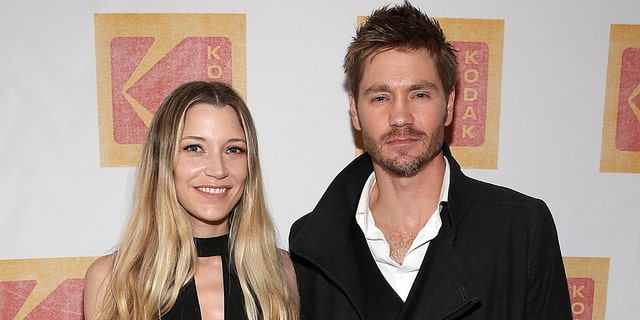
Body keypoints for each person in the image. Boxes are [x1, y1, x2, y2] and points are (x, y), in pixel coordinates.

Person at [289, 2, 572, 319]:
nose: (400, 117)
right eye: (380, 97)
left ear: (449, 104)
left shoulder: (520, 232)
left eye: (419, 94)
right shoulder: (312, 246)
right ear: (355, 109)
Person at [84, 81, 299, 320]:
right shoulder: (113, 281)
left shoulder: (280, 272)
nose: (218, 170)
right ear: (162, 160)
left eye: (233, 150)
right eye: (194, 148)